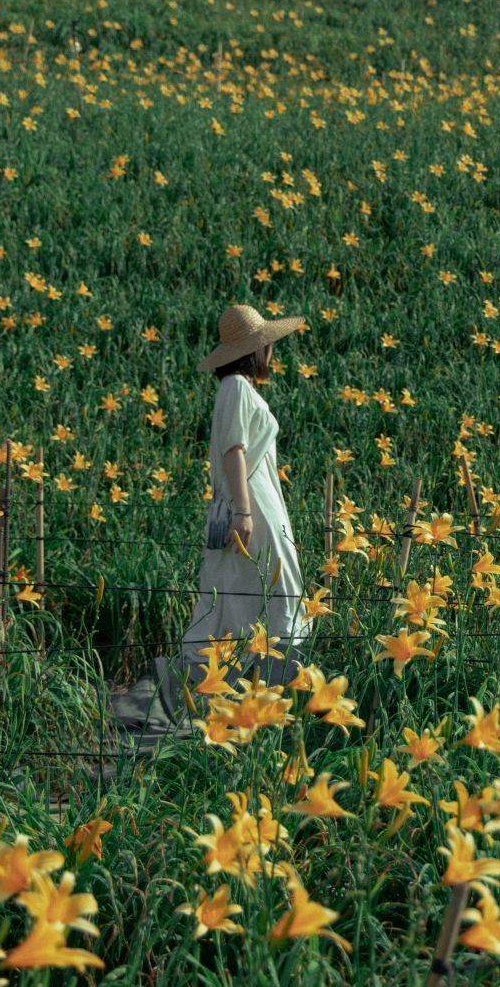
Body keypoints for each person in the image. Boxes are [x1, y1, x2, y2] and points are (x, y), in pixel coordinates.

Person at [158, 305, 308, 716]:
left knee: (234, 592)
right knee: (271, 588)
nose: (272, 353)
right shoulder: (238, 388)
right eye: (269, 346)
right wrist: (244, 513)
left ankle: (225, 690)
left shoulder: (233, 389)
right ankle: (258, 689)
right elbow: (234, 451)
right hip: (251, 506)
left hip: (251, 501)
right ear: (257, 350)